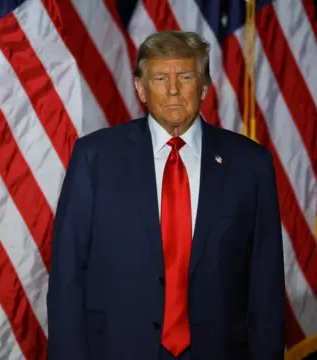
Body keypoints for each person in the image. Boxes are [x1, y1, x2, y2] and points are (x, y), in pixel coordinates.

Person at [46, 31, 285, 360]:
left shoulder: (250, 163)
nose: (173, 89)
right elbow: (67, 276)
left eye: (185, 76)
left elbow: (266, 283)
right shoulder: (95, 158)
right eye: (160, 77)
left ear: (203, 86)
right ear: (141, 89)